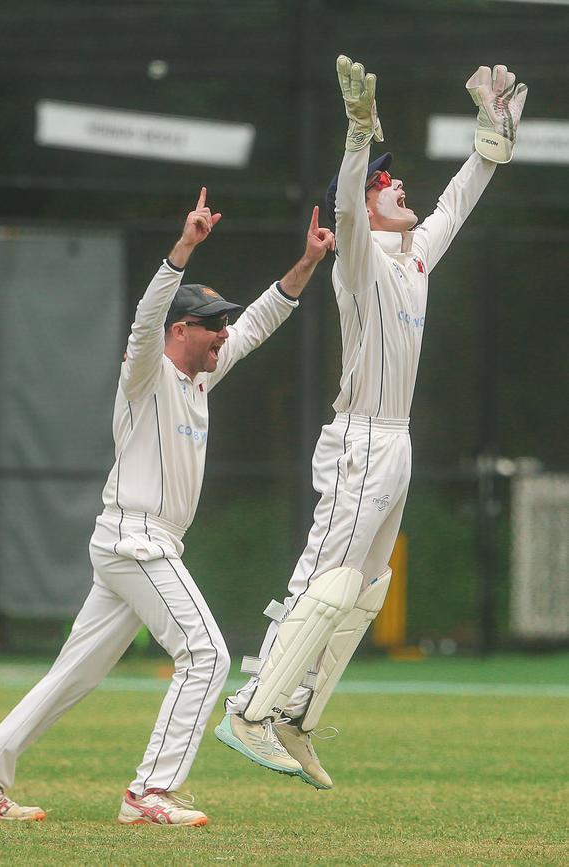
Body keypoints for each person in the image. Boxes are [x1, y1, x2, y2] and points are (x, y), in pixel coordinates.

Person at [0, 188, 335, 826]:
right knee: (206, 654)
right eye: (212, 324)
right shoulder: (146, 370)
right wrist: (184, 247)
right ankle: (149, 793)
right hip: (136, 539)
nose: (224, 333)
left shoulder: (202, 374)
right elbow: (146, 316)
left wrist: (309, 261)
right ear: (180, 330)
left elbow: (264, 318)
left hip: (142, 543)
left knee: (71, 677)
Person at [216, 58, 528, 790]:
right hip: (359, 436)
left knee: (364, 588)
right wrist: (359, 135)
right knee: (324, 575)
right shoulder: (355, 259)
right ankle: (249, 707)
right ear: (365, 199)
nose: (398, 186)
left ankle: (296, 716)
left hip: (398, 439)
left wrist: (492, 133)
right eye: (386, 184)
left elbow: (459, 198)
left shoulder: (414, 257)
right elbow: (349, 211)